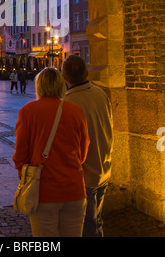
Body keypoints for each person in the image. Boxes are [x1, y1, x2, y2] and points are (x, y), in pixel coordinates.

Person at [12, 67, 89, 237]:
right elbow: (83, 152)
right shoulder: (75, 111)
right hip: (74, 190)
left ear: (39, 86)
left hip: (43, 191)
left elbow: (20, 154)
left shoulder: (28, 111)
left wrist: (24, 175)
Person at [62, 55, 113, 237]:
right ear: (86, 72)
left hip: (84, 176)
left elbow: (67, 147)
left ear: (64, 77)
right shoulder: (101, 93)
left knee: (86, 227)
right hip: (104, 167)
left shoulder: (67, 104)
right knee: (97, 221)